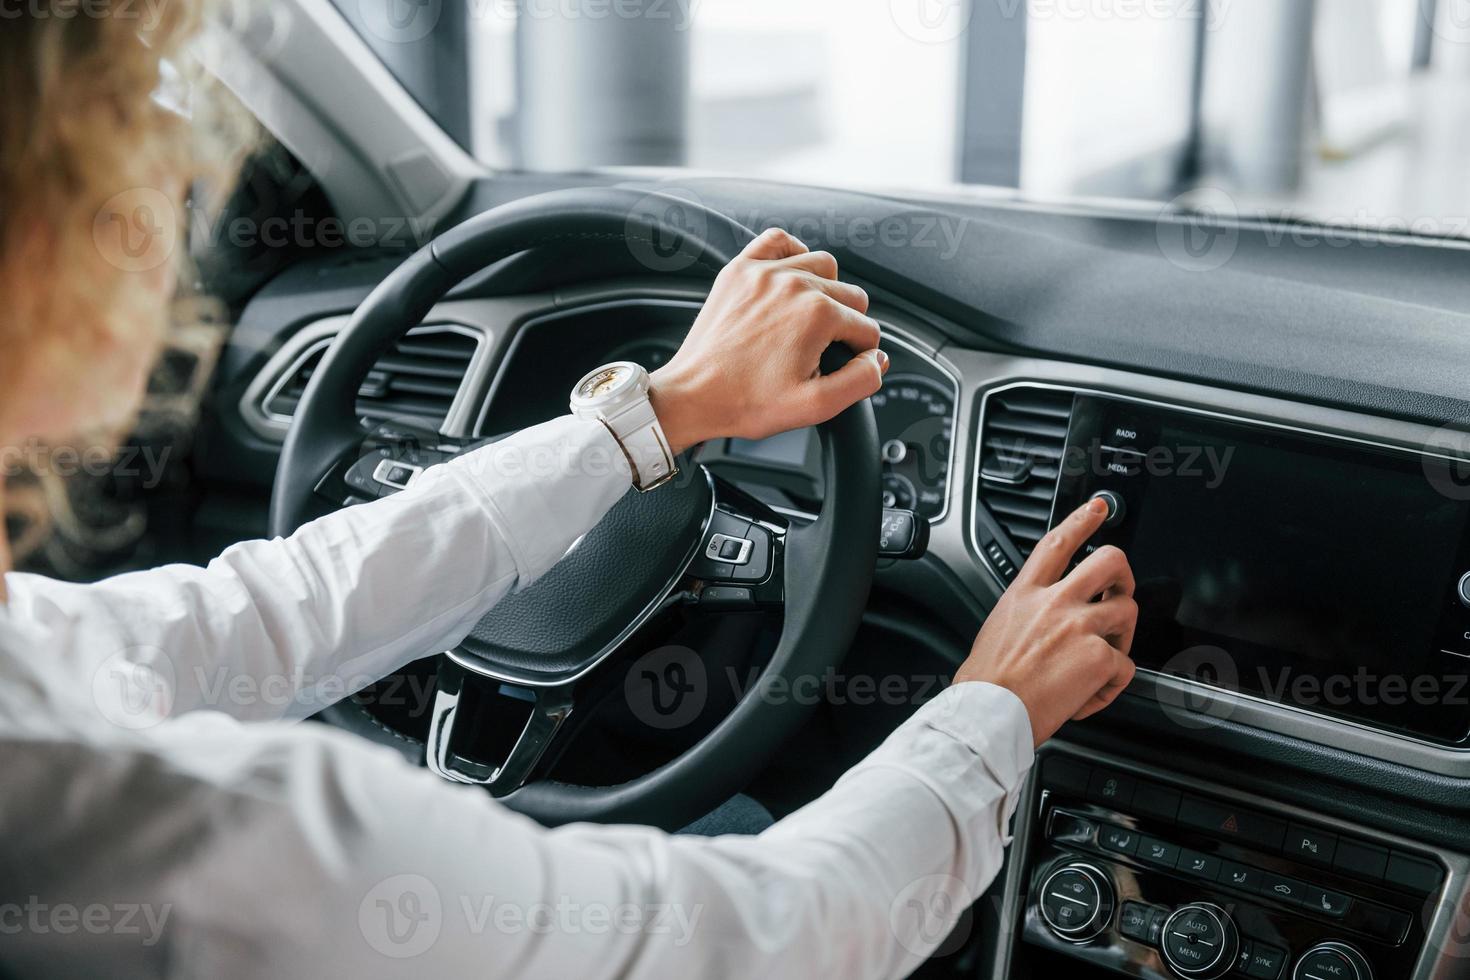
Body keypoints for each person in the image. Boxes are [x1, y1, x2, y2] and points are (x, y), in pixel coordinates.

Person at [0, 6, 1138, 978]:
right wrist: (994, 706)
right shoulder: (184, 835)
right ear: (45, 240)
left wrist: (663, 412)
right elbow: (747, 942)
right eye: (138, 135)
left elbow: (258, 614)